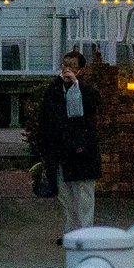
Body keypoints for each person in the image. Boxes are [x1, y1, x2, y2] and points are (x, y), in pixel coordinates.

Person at [34, 49, 101, 232]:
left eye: (72, 66)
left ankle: (85, 231)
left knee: (84, 194)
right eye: (65, 65)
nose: (67, 70)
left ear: (80, 70)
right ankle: (71, 230)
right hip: (61, 150)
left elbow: (93, 104)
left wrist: (76, 85)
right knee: (65, 194)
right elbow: (46, 119)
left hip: (83, 150)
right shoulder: (54, 89)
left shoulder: (86, 89)